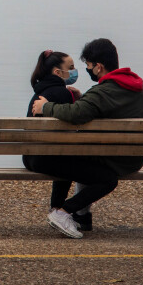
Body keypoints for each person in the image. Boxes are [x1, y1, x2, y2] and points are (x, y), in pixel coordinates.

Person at [30, 38, 143, 238]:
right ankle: (81, 217)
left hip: (114, 158)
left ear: (98, 67)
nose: (86, 69)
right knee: (79, 158)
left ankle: (62, 211)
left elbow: (76, 114)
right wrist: (83, 99)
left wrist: (46, 107)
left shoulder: (103, 91)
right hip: (134, 155)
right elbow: (108, 104)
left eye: (87, 65)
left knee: (82, 163)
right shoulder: (136, 85)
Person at [22, 50, 95, 230]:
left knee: (66, 157)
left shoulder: (40, 91)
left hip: (30, 158)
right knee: (100, 175)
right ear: (57, 72)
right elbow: (76, 125)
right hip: (46, 159)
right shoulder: (62, 94)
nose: (74, 71)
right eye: (70, 68)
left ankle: (56, 207)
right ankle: (63, 211)